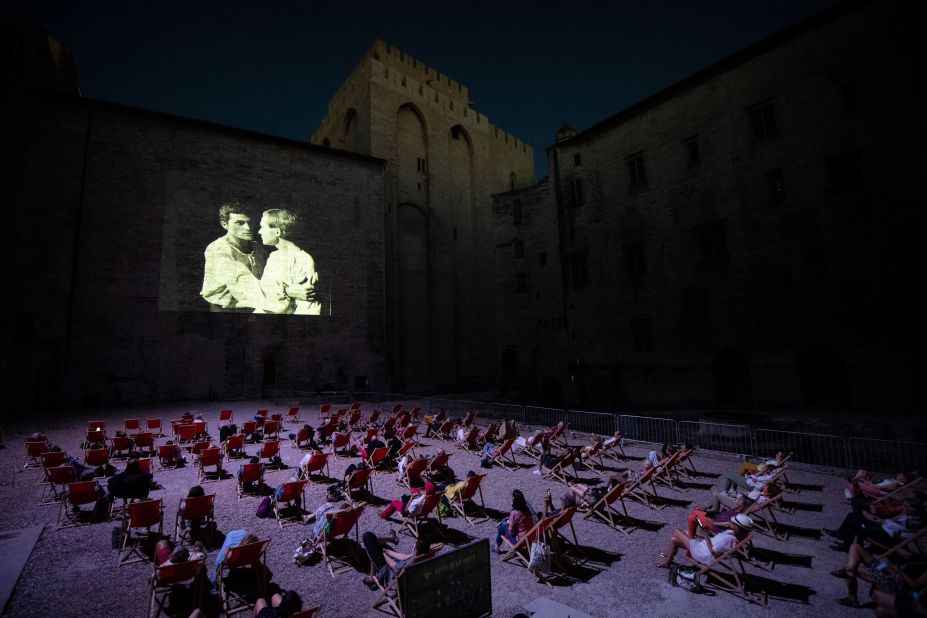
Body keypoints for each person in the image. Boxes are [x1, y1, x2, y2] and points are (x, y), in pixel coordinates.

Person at [200, 203, 267, 312]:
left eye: (250, 222)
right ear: (224, 224)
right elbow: (242, 280)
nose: (248, 228)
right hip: (226, 308)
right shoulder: (218, 248)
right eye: (240, 223)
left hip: (255, 303)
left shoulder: (257, 247)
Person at [256, 208, 322, 315]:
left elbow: (308, 305)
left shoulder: (303, 259)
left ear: (277, 231)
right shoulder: (274, 256)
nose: (259, 232)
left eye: (263, 227)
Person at [656, 513, 753, 568]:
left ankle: (667, 555)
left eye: (733, 522)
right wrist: (724, 524)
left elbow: (713, 552)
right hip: (703, 546)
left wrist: (706, 535)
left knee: (676, 531)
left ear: (737, 526)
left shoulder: (729, 539)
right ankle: (667, 561)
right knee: (674, 539)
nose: (730, 522)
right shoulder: (733, 534)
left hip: (703, 553)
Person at [361, 531, 431, 589]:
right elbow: (403, 557)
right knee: (377, 544)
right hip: (397, 566)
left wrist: (383, 552)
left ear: (416, 547)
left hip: (387, 571)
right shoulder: (421, 558)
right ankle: (392, 538)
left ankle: (372, 579)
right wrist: (388, 552)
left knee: (367, 537)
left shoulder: (408, 565)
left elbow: (392, 564)